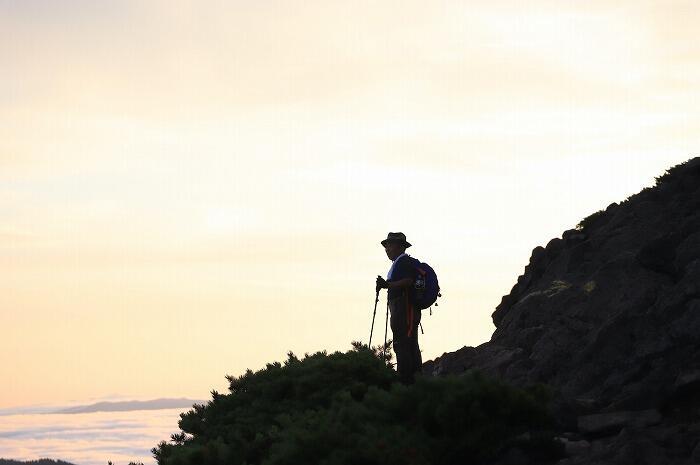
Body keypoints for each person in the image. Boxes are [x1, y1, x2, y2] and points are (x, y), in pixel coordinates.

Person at [376, 232, 422, 384]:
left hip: (403, 309)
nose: (387, 249)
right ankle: (415, 378)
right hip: (405, 308)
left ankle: (405, 379)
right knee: (409, 342)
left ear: (400, 247)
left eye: (389, 245)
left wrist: (387, 285)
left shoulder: (403, 262)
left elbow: (408, 281)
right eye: (386, 246)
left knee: (402, 343)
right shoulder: (400, 262)